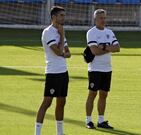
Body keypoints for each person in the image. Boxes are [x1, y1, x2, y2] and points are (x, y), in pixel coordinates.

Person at [35, 6, 71, 135]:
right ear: (54, 17)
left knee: (61, 102)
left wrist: (62, 51)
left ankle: (59, 132)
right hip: (52, 73)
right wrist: (62, 36)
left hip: (63, 72)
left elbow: (68, 53)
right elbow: (58, 52)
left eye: (64, 15)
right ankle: (37, 132)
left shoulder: (60, 30)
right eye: (61, 15)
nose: (63, 18)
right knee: (47, 102)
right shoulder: (48, 32)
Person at [85, 9, 120, 129]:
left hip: (107, 69)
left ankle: (101, 120)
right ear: (95, 19)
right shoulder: (91, 33)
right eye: (101, 18)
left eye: (104, 18)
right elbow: (94, 51)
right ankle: (88, 120)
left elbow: (118, 48)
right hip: (95, 69)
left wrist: (104, 46)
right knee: (92, 94)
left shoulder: (109, 32)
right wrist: (109, 48)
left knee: (104, 94)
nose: (103, 20)